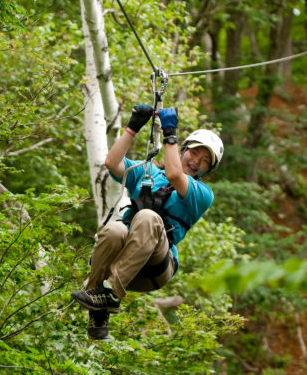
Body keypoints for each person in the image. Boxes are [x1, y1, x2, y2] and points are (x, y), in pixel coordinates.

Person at [71, 105, 224, 340]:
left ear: (207, 170)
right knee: (113, 230)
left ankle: (111, 293)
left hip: (157, 266)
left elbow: (175, 175)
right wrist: (132, 128)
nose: (196, 161)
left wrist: (170, 133)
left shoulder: (201, 193)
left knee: (148, 217)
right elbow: (112, 164)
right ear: (183, 151)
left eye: (204, 161)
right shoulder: (150, 172)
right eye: (194, 153)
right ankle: (97, 306)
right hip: (127, 258)